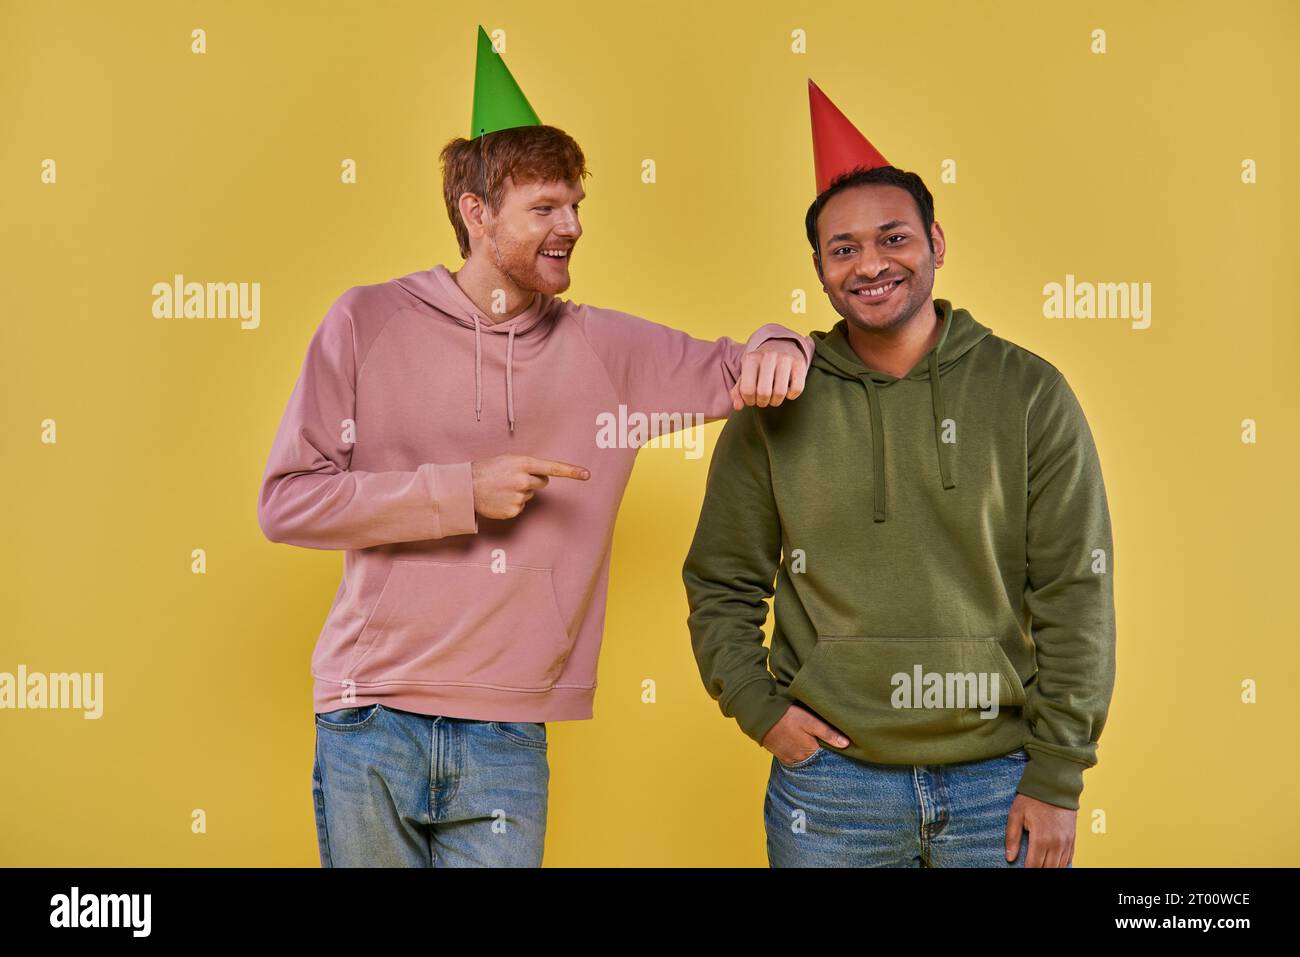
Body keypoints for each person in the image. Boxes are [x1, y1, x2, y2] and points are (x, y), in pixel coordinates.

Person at [257, 26, 813, 867]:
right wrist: (460, 490)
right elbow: (287, 500)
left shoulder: (606, 349)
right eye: (546, 208)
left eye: (577, 205)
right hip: (370, 714)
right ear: (475, 214)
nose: (574, 226)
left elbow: (747, 364)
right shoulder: (366, 322)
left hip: (510, 729)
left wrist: (787, 343)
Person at [681, 79, 1116, 868]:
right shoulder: (777, 401)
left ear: (936, 243)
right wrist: (762, 710)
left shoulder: (1028, 392)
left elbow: (1074, 589)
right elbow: (721, 581)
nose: (870, 264)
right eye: (843, 249)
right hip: (832, 791)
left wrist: (1057, 774)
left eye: (893, 238)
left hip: (1001, 781)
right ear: (818, 268)